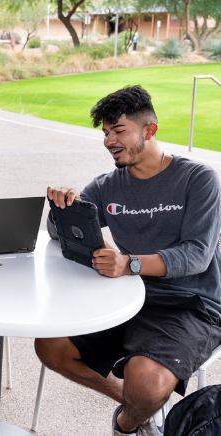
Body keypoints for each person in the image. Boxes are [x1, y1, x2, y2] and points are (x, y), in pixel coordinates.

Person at [35, 86, 221, 436]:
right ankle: (140, 405)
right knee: (49, 346)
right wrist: (60, 209)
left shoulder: (198, 179)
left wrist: (129, 263)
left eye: (119, 131)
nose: (109, 141)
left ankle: (128, 422)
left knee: (147, 384)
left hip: (189, 303)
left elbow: (197, 255)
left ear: (149, 130)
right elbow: (61, 232)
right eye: (106, 133)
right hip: (126, 297)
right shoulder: (107, 186)